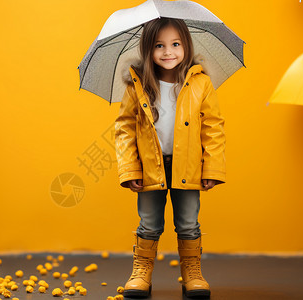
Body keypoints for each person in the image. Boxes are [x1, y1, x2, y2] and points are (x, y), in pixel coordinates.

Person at [114, 17, 226, 299]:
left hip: (188, 166)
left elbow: (213, 127)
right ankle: (141, 271)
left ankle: (192, 272)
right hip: (150, 167)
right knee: (149, 223)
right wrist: (130, 169)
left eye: (176, 44)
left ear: (186, 45)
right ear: (147, 50)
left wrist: (211, 166)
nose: (168, 52)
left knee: (188, 222)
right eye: (159, 45)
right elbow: (125, 129)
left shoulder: (201, 84)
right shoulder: (137, 85)